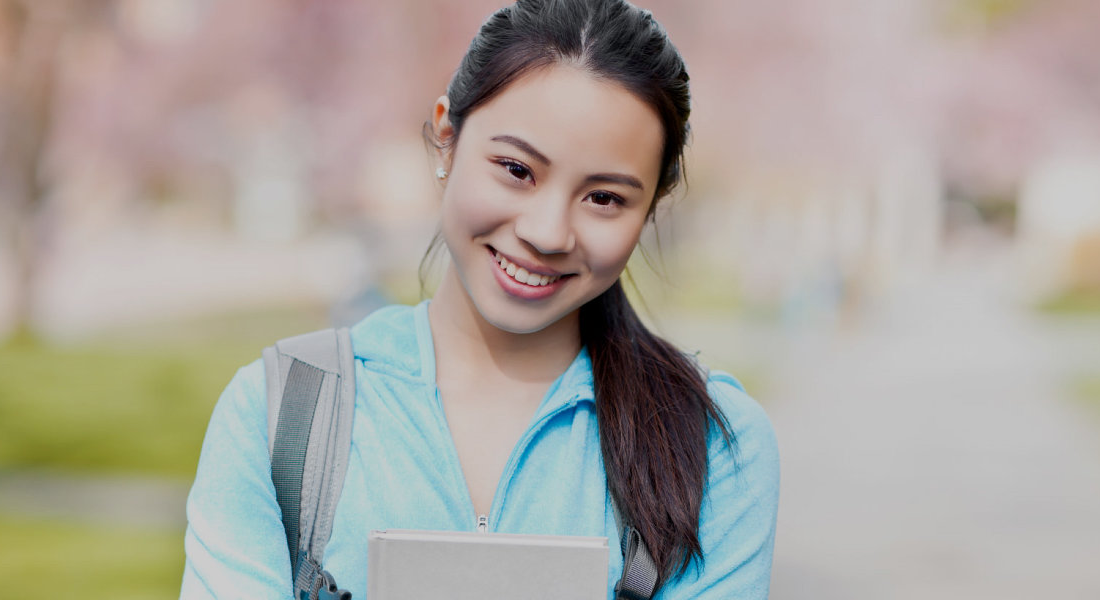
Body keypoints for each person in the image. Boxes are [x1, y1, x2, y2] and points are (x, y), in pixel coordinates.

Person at [177, 0, 780, 597]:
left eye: (604, 198)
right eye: (517, 169)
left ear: (649, 209)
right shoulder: (281, 414)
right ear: (447, 139)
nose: (547, 233)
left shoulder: (715, 448)